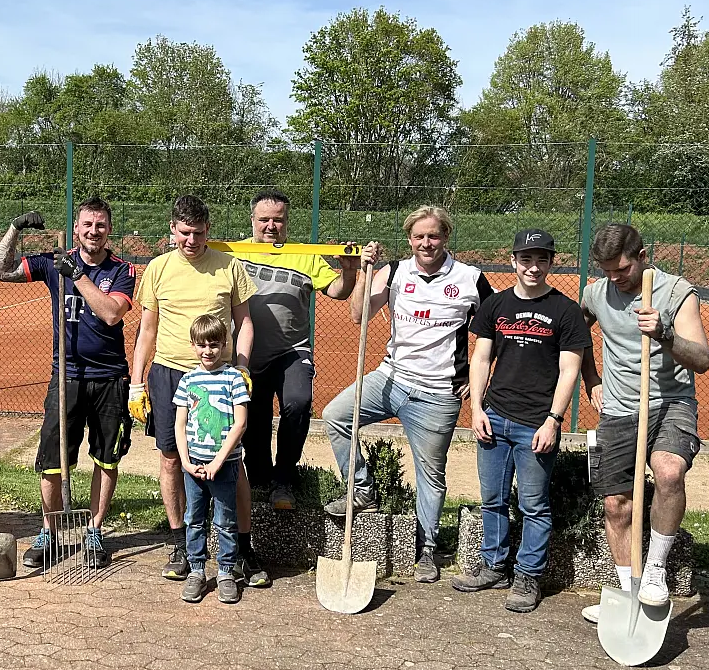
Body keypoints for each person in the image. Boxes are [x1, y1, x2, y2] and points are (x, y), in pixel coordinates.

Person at [323, 205, 493, 583]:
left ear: (446, 237)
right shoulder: (395, 272)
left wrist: (482, 377)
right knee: (335, 415)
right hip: (391, 377)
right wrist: (366, 274)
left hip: (438, 393)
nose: (426, 243)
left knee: (430, 475)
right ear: (409, 239)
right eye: (419, 236)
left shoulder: (470, 278)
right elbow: (358, 315)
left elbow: (499, 325)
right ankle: (363, 491)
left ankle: (427, 548)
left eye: (433, 236)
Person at [0, 197, 136, 569]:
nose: (94, 231)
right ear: (76, 228)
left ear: (109, 230)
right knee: (53, 461)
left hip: (108, 378)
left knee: (107, 457)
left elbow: (111, 314)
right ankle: (49, 532)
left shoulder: (122, 270)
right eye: (87, 224)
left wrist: (78, 275)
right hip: (66, 375)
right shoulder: (54, 263)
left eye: (100, 225)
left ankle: (94, 532)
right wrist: (15, 228)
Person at [451, 229, 591, 613]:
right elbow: (480, 359)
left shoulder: (566, 311)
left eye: (541, 259)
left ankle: (529, 576)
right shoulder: (495, 305)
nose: (533, 267)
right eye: (526, 259)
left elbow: (569, 371)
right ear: (513, 261)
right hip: (493, 416)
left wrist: (553, 420)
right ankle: (494, 566)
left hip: (537, 423)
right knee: (492, 500)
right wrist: (477, 409)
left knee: (533, 505)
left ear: (551, 263)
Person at [579, 223, 709, 623]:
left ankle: (655, 570)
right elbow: (574, 334)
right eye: (606, 270)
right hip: (620, 408)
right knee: (616, 505)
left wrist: (665, 334)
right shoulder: (595, 294)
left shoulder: (675, 292)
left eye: (621, 269)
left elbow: (702, 360)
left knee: (669, 472)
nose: (614, 278)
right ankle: (627, 595)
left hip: (672, 402)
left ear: (641, 255)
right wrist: (592, 378)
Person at [130, 195, 257, 583]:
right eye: (184, 233)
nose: (192, 240)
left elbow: (245, 322)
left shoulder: (229, 266)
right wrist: (137, 383)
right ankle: (181, 543)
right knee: (171, 459)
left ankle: (243, 549)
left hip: (219, 377)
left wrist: (242, 367)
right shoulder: (158, 268)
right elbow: (146, 329)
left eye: (199, 233)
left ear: (208, 230)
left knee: (232, 464)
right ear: (172, 229)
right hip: (170, 374)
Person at [231, 188, 358, 512]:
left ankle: (284, 478)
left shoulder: (305, 255)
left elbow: (339, 292)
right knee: (253, 417)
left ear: (287, 221)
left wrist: (348, 270)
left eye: (278, 220)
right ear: (252, 220)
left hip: (291, 351)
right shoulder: (232, 252)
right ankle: (260, 475)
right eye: (264, 220)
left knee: (297, 404)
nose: (271, 226)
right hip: (247, 352)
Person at [173, 314, 251, 605]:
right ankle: (196, 570)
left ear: (225, 345)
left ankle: (227, 573)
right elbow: (180, 425)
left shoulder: (233, 378)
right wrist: (185, 462)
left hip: (225, 465)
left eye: (214, 345)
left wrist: (218, 462)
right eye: (202, 345)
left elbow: (240, 423)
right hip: (193, 465)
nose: (208, 351)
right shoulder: (187, 381)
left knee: (225, 520)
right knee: (194, 519)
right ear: (193, 345)